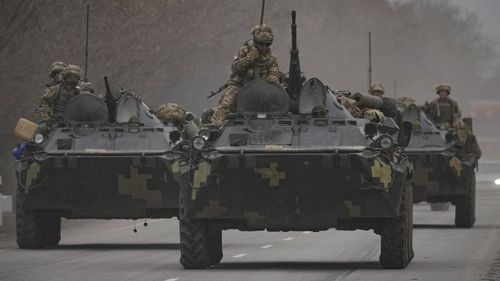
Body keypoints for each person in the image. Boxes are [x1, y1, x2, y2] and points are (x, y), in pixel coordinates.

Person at [209, 24, 279, 127]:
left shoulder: (271, 57)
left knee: (276, 102)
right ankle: (215, 125)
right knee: (226, 103)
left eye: (267, 44)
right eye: (261, 44)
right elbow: (235, 68)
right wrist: (250, 58)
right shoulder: (245, 51)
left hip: (260, 87)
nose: (264, 47)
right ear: (256, 42)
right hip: (240, 84)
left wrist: (273, 76)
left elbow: (274, 69)